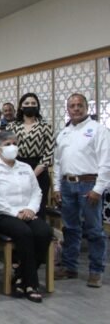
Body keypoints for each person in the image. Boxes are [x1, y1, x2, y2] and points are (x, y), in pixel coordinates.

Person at [0, 131, 53, 302]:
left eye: (15, 143)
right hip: (2, 214)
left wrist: (31, 209)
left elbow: (37, 192)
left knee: (44, 232)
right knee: (24, 233)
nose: (12, 147)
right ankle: (31, 284)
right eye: (7, 144)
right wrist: (15, 212)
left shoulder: (25, 168)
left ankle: (21, 276)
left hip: (27, 213)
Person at [53, 93, 109, 288]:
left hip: (89, 185)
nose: (76, 109)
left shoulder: (98, 130)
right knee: (70, 228)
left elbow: (106, 162)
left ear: (87, 107)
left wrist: (98, 189)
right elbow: (58, 162)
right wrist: (57, 187)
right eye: (72, 106)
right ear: (67, 109)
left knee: (94, 230)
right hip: (67, 185)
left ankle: (96, 271)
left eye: (79, 105)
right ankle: (70, 267)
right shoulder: (64, 133)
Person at [5, 93, 54, 219]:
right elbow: (7, 148)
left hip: (39, 169)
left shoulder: (46, 126)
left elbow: (48, 153)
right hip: (16, 168)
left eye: (33, 103)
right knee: (17, 205)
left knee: (38, 208)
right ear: (21, 106)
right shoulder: (11, 126)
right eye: (26, 103)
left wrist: (32, 174)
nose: (30, 105)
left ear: (38, 106)